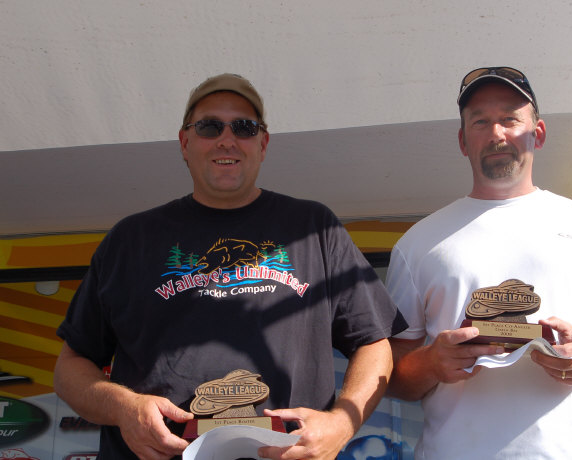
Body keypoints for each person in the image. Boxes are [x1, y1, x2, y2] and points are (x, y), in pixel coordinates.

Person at [54, 73, 407, 460]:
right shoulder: (130, 238)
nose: (227, 139)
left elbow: (374, 343)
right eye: (209, 127)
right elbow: (71, 367)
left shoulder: (315, 228)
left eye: (244, 127)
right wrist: (124, 408)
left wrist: (342, 423)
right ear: (185, 142)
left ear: (263, 143)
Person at [385, 66, 572, 459]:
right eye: (480, 121)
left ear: (538, 133)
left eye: (509, 119)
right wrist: (433, 363)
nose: (496, 134)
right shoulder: (417, 244)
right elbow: (388, 374)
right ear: (463, 141)